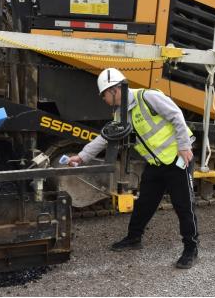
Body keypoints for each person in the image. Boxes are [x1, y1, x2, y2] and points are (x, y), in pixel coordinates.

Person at [68, 67, 199, 269]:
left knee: (184, 206)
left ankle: (191, 249)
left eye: (103, 94)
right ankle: (133, 238)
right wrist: (82, 157)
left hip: (178, 159)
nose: (103, 99)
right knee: (144, 203)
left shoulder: (148, 97)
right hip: (156, 164)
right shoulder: (121, 114)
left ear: (114, 90)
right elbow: (105, 137)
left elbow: (176, 115)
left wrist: (183, 145)